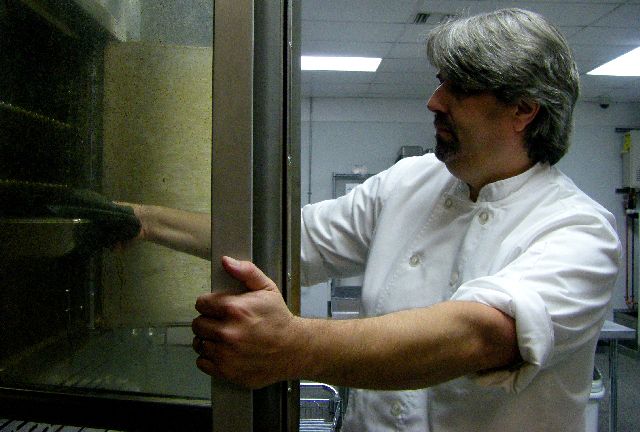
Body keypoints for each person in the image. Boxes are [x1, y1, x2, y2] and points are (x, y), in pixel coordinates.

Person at [125, 8, 620, 432]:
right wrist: (139, 220)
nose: (434, 101)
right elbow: (288, 241)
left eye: (461, 88)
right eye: (440, 81)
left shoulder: (579, 231)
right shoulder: (411, 181)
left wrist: (292, 346)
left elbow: (479, 334)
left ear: (524, 111)